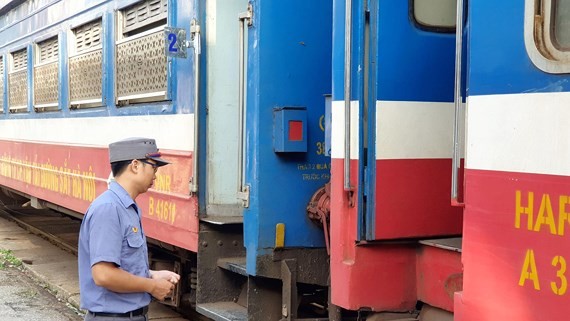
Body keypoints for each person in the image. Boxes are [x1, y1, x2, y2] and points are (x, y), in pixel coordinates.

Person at [78, 137, 180, 321]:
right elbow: (103, 274)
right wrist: (151, 286)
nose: (155, 175)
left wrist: (151, 274)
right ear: (135, 165)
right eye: (153, 167)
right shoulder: (109, 209)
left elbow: (122, 265)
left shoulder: (127, 208)